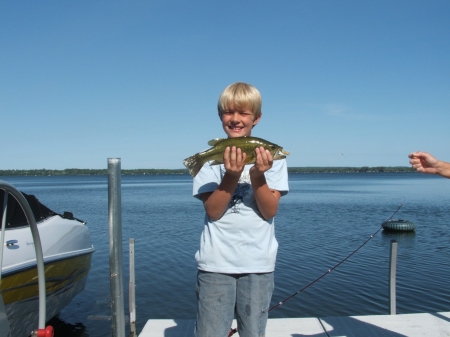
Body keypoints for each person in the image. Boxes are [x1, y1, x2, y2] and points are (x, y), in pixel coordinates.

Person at [191, 82, 289, 337]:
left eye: (243, 113)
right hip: (215, 263)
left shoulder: (272, 161)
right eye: (228, 112)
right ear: (220, 116)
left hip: (258, 263)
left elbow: (269, 211)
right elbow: (213, 212)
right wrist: (231, 176)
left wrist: (258, 176)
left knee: (253, 333)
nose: (235, 119)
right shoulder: (209, 159)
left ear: (256, 118)